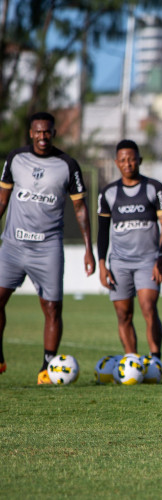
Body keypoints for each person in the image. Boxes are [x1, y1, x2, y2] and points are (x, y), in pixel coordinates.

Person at [0, 111, 96, 384]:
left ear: (54, 133)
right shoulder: (16, 159)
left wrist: (89, 249)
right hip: (13, 245)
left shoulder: (68, 165)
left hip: (48, 248)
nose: (43, 136)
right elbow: (2, 200)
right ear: (31, 133)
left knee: (52, 307)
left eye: (48, 132)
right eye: (38, 132)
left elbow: (80, 209)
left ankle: (46, 367)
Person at [97, 140, 162, 358]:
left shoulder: (154, 188)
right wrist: (102, 264)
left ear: (139, 160)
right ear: (116, 163)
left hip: (148, 261)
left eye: (131, 159)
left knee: (148, 307)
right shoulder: (108, 193)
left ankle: (155, 359)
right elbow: (102, 231)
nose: (127, 163)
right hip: (119, 263)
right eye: (122, 160)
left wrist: (161, 257)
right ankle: (132, 360)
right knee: (123, 314)